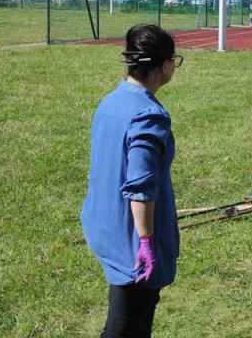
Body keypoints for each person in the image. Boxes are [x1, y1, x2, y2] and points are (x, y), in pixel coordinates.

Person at [81, 24, 183, 337]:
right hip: (129, 237)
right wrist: (148, 242)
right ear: (164, 66)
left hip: (102, 223)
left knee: (130, 321)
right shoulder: (148, 115)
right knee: (126, 325)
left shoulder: (111, 100)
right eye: (175, 61)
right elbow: (141, 187)